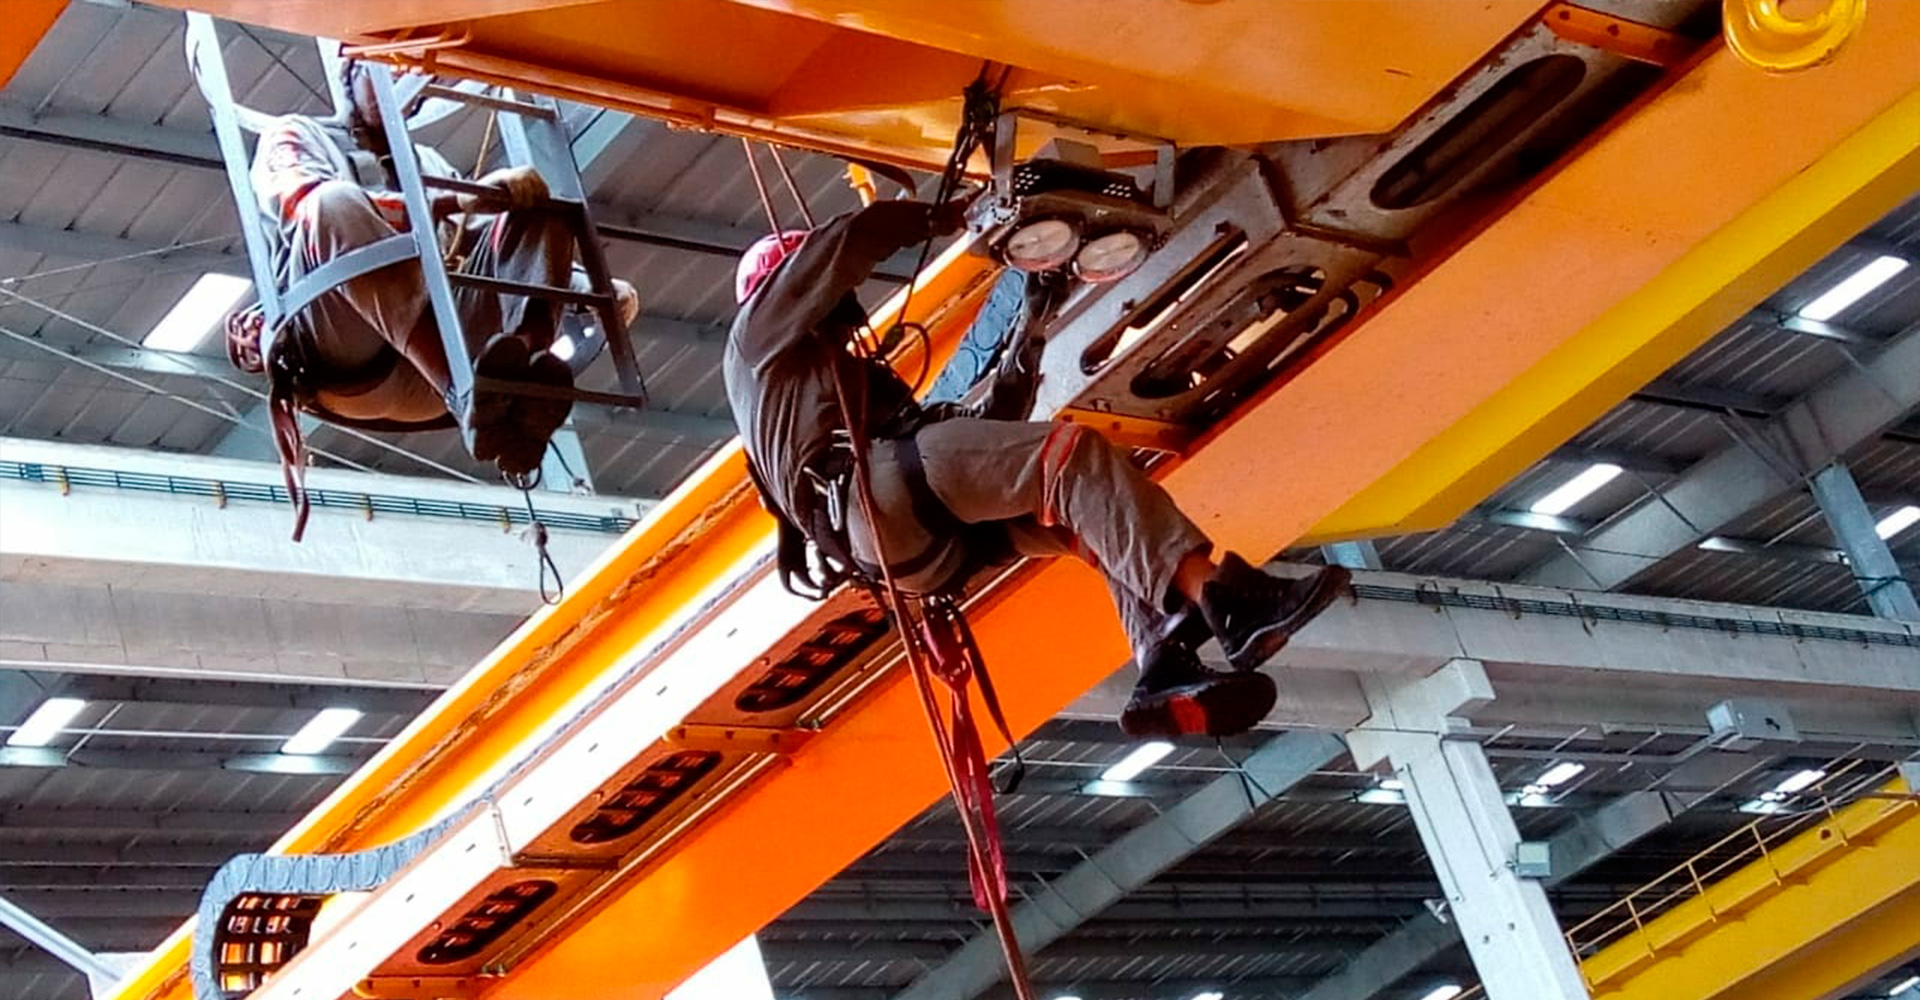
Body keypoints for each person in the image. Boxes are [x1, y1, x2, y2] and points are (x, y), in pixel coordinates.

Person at [724, 198, 1351, 739]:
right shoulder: (756, 337)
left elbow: (989, 436)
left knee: (1090, 519)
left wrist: (1033, 326)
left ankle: (1161, 664)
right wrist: (958, 215)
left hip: (909, 540)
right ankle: (1228, 602)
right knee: (1072, 456)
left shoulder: (829, 391)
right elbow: (848, 241)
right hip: (876, 499)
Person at [223, 59, 638, 509]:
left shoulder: (427, 162)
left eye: (419, 74)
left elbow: (493, 251)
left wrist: (585, 290)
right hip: (345, 346)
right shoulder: (297, 135)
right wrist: (450, 202)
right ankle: (469, 398)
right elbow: (302, 202)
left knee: (539, 206)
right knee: (334, 202)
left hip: (448, 347)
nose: (407, 84)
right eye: (392, 69)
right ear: (350, 74)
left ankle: (522, 386)